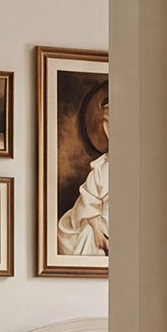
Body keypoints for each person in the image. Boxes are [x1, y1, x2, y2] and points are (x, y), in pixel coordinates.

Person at [55, 81, 109, 256]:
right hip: (99, 227)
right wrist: (96, 230)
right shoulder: (101, 168)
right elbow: (87, 200)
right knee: (87, 236)